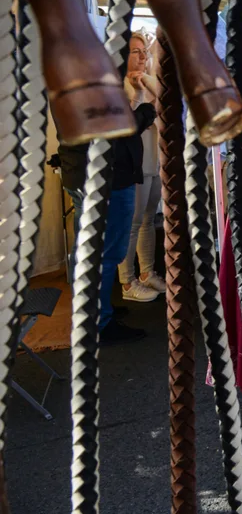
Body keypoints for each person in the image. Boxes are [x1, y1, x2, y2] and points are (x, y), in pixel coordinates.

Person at [59, 46, 159, 346]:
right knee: (104, 253)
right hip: (105, 180)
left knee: (94, 251)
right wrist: (149, 109)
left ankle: (98, 312)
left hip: (95, 176)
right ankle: (98, 323)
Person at [117, 32, 165, 301]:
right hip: (134, 163)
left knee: (149, 218)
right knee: (132, 222)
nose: (142, 56)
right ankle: (127, 282)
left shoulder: (148, 81)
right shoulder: (121, 86)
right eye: (135, 52)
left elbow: (161, 110)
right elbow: (131, 123)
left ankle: (147, 272)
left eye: (144, 51)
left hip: (153, 159)